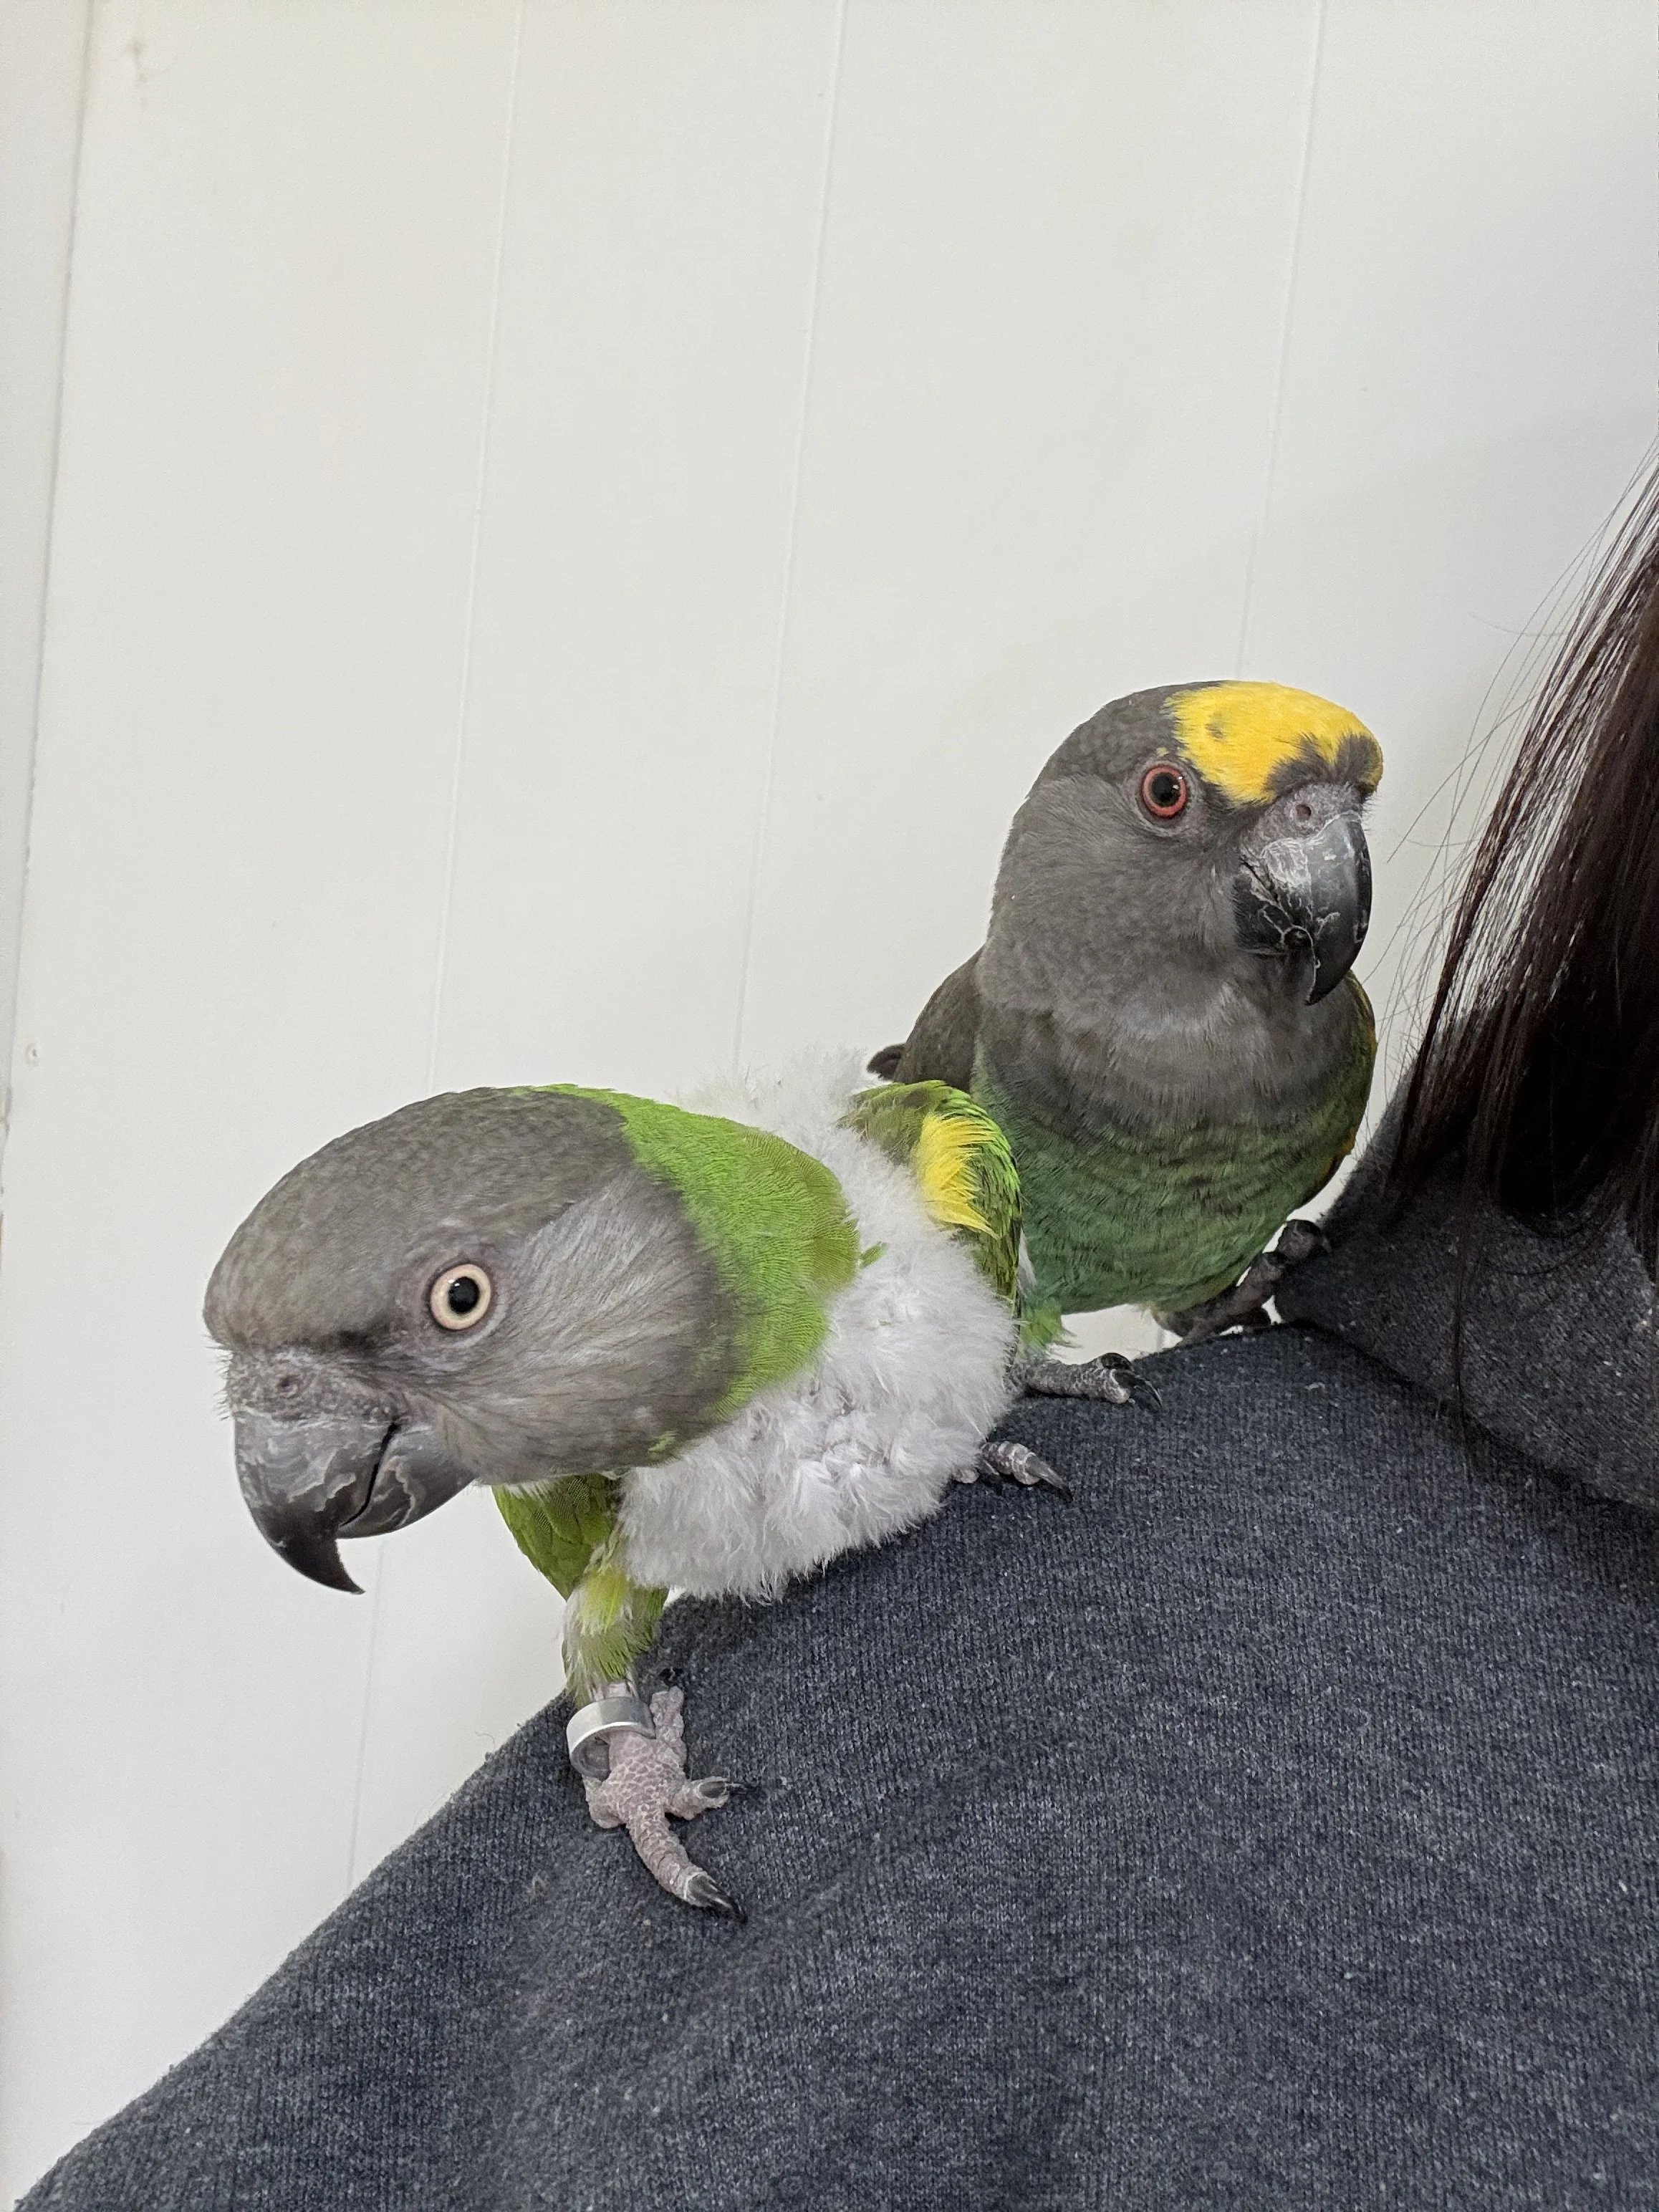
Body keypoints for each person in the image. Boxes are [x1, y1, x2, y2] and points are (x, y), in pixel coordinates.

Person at [23, 476, 1659, 2211]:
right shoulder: (1026, 1574)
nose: (1298, 851)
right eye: (1177, 798)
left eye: (1321, 808)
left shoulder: (1323, 1080)